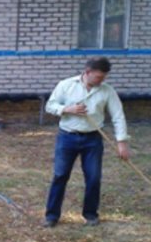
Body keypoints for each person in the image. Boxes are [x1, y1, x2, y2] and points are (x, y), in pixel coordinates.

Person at [43, 57, 130, 228]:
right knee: (60, 175)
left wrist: (121, 142)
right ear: (87, 72)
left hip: (93, 139)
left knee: (93, 177)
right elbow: (50, 106)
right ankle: (51, 216)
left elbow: (118, 116)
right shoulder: (66, 85)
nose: (101, 80)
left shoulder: (107, 91)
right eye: (98, 77)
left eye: (104, 77)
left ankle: (90, 214)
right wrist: (67, 109)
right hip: (67, 137)